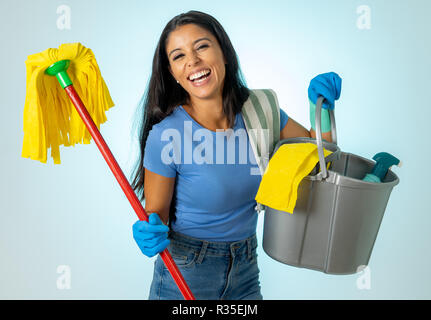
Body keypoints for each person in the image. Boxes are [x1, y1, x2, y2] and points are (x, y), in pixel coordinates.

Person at [130, 10, 341, 300]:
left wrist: (322, 108)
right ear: (172, 73)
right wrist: (150, 229)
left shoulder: (262, 111)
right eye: (178, 56)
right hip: (186, 271)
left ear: (224, 53)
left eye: (202, 46)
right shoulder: (166, 135)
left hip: (245, 268)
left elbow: (323, 160)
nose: (192, 61)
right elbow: (157, 216)